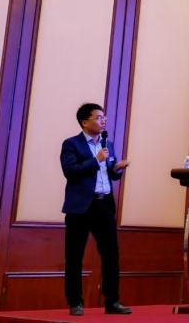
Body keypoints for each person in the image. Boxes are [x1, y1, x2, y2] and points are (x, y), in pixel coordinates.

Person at [61, 103, 132, 316]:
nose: (103, 120)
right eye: (99, 117)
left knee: (111, 254)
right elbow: (70, 171)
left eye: (104, 117)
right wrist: (96, 160)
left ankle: (112, 301)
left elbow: (108, 173)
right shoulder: (71, 144)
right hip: (80, 207)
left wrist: (116, 169)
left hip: (104, 204)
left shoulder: (106, 143)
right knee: (74, 256)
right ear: (85, 122)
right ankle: (75, 302)